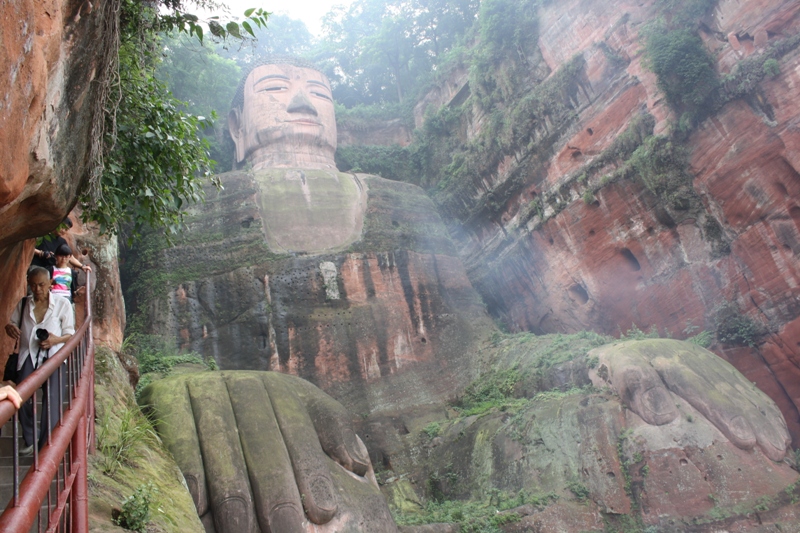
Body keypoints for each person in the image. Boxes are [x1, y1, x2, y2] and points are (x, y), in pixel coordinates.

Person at [4, 267, 74, 453]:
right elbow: (12, 322)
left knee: (52, 401)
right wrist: (10, 328)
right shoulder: (24, 303)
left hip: (54, 357)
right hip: (28, 355)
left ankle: (45, 447)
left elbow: (70, 334)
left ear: (50, 283)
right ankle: (30, 437)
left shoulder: (62, 304)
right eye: (33, 285)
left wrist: (54, 340)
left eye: (42, 285)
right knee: (20, 396)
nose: (38, 289)